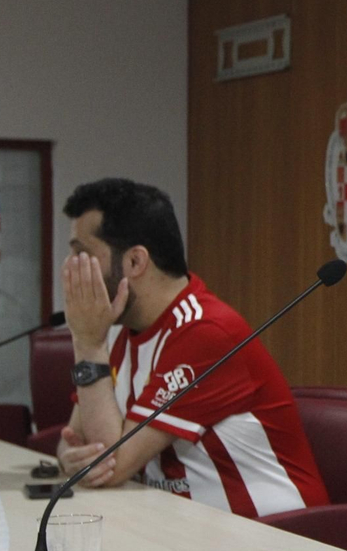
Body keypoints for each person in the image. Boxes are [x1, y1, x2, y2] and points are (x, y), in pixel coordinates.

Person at [56, 178, 329, 518]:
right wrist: (69, 457)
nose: (69, 268)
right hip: (193, 526)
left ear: (135, 262)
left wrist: (86, 342)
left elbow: (110, 466)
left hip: (275, 533)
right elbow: (76, 439)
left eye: (81, 254)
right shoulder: (118, 333)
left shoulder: (205, 331)